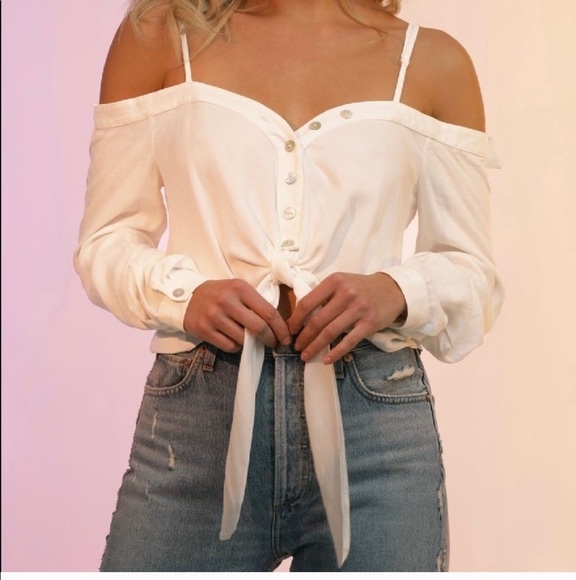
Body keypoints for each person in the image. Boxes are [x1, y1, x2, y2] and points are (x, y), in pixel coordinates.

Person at [74, 0, 504, 572]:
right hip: (199, 422)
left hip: (375, 428)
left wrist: (395, 290)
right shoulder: (160, 36)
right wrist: (183, 295)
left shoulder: (430, 61)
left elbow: (472, 271)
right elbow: (106, 239)